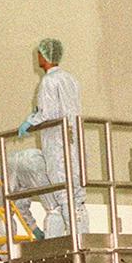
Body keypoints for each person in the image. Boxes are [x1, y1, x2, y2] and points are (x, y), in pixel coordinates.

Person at [18, 38, 89, 236]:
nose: (38, 57)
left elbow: (46, 114)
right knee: (76, 196)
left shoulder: (48, 81)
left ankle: (76, 241)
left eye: (39, 54)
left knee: (63, 193)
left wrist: (29, 122)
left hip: (58, 144)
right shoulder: (71, 79)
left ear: (44, 56)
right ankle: (81, 237)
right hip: (75, 141)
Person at [7, 148, 63, 240]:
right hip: (33, 161)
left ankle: (4, 251)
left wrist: (34, 229)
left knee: (5, 211)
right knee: (55, 209)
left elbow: (20, 206)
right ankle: (53, 248)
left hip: (10, 159)